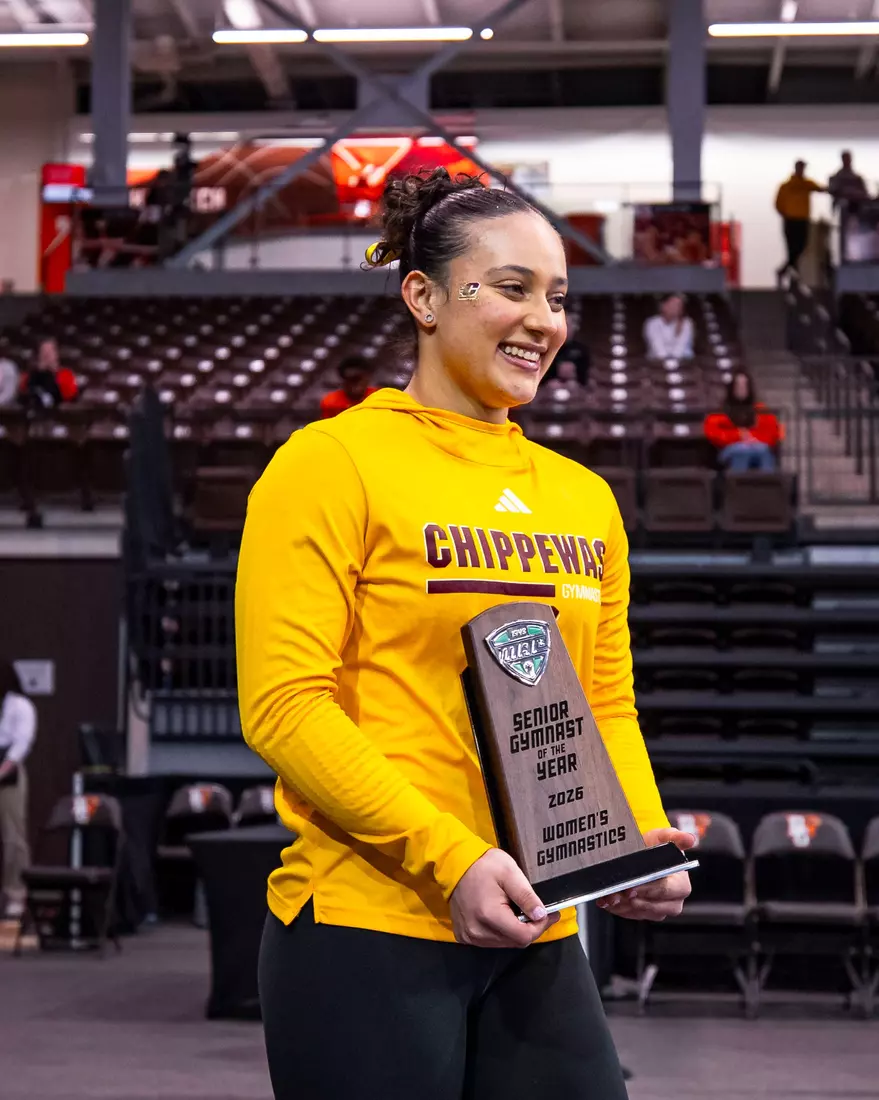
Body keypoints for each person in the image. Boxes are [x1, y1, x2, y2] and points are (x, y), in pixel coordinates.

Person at [236, 168, 693, 1100]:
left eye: (558, 298)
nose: (543, 320)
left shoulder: (581, 497)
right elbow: (285, 707)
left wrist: (634, 835)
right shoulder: (331, 464)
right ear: (425, 297)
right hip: (371, 925)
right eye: (513, 288)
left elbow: (602, 699)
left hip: (539, 923)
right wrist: (453, 858)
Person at [0, 662, 37, 920]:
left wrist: (3, 770)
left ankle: (16, 893)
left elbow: (22, 742)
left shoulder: (19, 705)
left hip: (7, 770)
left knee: (13, 835)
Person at [704, 371, 783, 472]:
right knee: (742, 451)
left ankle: (766, 485)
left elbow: (773, 433)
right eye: (738, 385)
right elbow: (713, 433)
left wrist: (752, 438)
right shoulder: (720, 411)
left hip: (758, 447)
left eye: (745, 385)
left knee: (763, 451)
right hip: (730, 449)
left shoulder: (760, 409)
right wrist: (739, 435)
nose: (742, 388)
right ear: (732, 387)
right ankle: (736, 486)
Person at [775, 160, 825, 278]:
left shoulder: (807, 184)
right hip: (790, 219)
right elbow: (778, 203)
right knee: (792, 247)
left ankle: (785, 270)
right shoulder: (786, 186)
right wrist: (785, 214)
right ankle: (792, 272)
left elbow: (820, 188)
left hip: (802, 220)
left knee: (801, 245)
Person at [19, 337, 78, 411]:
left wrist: (52, 374)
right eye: (43, 352)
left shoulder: (66, 374)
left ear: (56, 354)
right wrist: (38, 373)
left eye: (49, 352)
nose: (46, 355)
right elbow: (23, 393)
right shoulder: (30, 374)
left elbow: (69, 398)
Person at [643, 293, 694, 360]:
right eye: (673, 305)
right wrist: (666, 361)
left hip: (683, 360)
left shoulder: (686, 323)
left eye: (679, 306)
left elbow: (681, 346)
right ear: (663, 306)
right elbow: (657, 346)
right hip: (657, 362)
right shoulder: (652, 323)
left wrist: (674, 361)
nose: (675, 308)